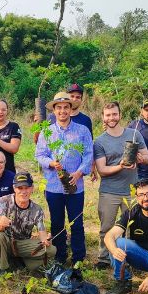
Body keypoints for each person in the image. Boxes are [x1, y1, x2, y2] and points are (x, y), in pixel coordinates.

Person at [35, 93, 93, 266]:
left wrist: (79, 172)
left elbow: (89, 154)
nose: (62, 111)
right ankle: (60, 256)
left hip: (76, 186)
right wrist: (51, 163)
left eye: (66, 107)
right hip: (54, 186)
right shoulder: (47, 132)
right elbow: (40, 154)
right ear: (54, 110)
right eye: (58, 108)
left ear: (71, 109)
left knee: (76, 222)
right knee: (57, 222)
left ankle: (78, 258)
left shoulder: (82, 131)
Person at [94, 102, 148, 270]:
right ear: (103, 117)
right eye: (108, 115)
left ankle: (130, 257)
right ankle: (104, 258)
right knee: (107, 226)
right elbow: (102, 170)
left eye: (114, 114)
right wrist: (121, 166)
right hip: (109, 191)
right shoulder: (100, 141)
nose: (111, 118)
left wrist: (141, 158)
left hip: (133, 190)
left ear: (120, 115)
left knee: (132, 227)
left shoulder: (134, 135)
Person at [0, 172, 55, 275]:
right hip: (7, 242)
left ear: (32, 188)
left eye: (27, 187)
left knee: (51, 250)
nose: (23, 191)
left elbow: (41, 232)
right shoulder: (4, 201)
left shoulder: (37, 209)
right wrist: (1, 224)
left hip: (23, 244)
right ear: (14, 188)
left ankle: (24, 262)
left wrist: (45, 240)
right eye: (20, 188)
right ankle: (4, 268)